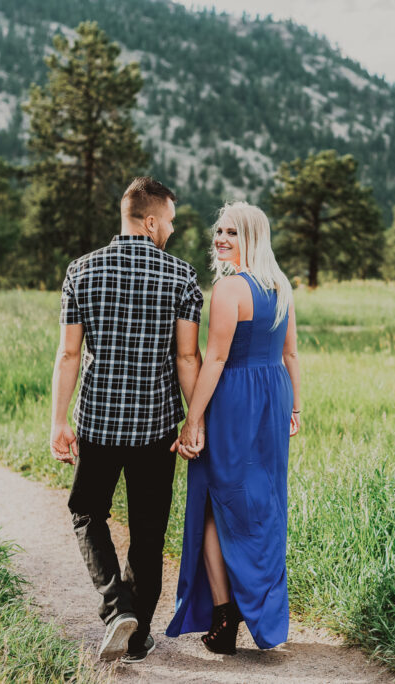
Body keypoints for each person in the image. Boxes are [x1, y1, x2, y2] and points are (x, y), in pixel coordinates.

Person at [49, 177, 204, 662]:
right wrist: (193, 422)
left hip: (97, 424)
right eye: (171, 222)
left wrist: (58, 420)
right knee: (149, 531)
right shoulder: (182, 276)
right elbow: (187, 358)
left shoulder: (81, 270)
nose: (172, 231)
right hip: (156, 428)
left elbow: (69, 353)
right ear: (151, 220)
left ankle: (117, 608)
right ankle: (136, 638)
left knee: (87, 513)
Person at [165, 201, 301, 655]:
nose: (220, 239)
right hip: (272, 397)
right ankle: (255, 602)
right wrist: (295, 407)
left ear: (252, 238)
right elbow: (290, 356)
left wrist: (193, 419)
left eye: (232, 232)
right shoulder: (280, 286)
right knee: (263, 501)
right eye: (219, 230)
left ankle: (225, 614)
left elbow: (217, 359)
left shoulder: (228, 290)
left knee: (212, 503)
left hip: (235, 399)